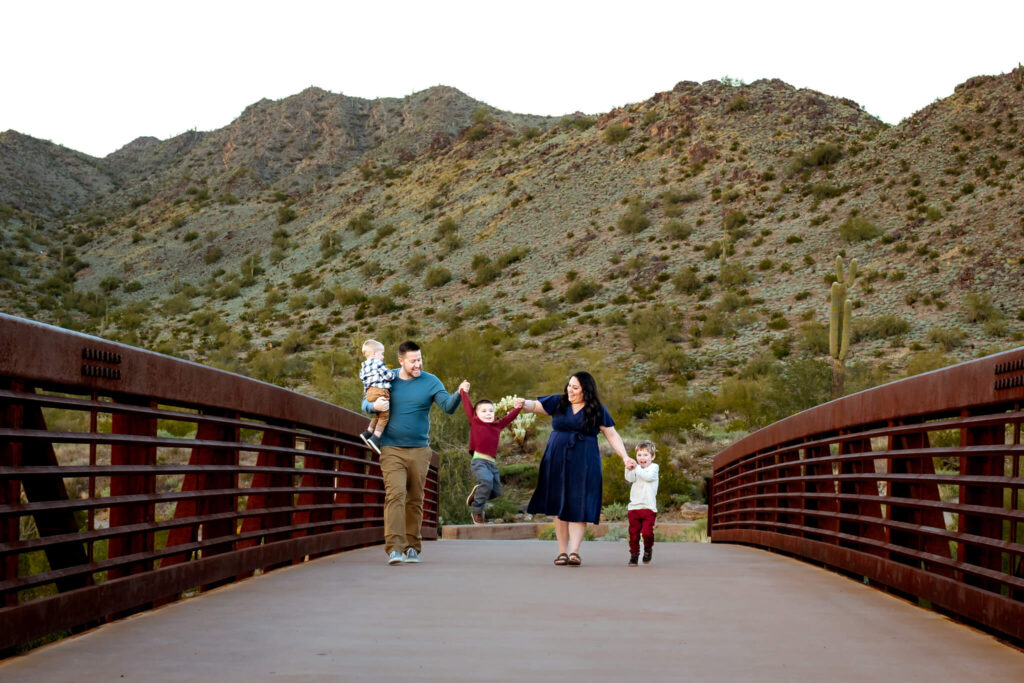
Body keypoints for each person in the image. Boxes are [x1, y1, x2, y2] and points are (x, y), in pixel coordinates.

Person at [362, 341, 468, 565]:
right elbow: (367, 400)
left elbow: (448, 407)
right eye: (413, 361)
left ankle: (412, 547)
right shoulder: (388, 377)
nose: (418, 364)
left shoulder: (430, 381)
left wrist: (459, 393)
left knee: (415, 499)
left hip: (420, 450)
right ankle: (394, 549)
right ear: (401, 361)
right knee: (395, 495)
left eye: (420, 359)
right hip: (391, 448)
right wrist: (373, 407)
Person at [520, 371, 636, 566]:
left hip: (584, 461)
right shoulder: (559, 402)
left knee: (578, 502)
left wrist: (624, 457)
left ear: (586, 391)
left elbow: (612, 434)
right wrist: (523, 403)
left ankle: (574, 552)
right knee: (559, 504)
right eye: (569, 386)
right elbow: (535, 406)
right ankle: (562, 552)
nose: (570, 390)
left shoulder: (596, 409)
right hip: (556, 459)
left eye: (575, 388)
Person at [460, 388, 525, 524]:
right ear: (476, 414)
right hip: (479, 461)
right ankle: (477, 510)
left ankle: (478, 493)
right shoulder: (475, 421)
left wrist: (518, 408)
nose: (488, 413)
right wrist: (463, 391)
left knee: (496, 491)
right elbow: (467, 405)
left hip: (491, 464)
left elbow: (509, 418)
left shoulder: (497, 425)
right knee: (487, 482)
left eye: (491, 411)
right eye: (483, 411)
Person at [625, 440, 659, 567]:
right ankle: (634, 555)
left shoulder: (654, 468)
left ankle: (648, 549)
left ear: (652, 456)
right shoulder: (637, 469)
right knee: (633, 535)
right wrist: (628, 468)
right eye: (639, 455)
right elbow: (630, 478)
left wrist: (636, 467)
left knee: (646, 533)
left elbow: (648, 477)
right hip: (634, 508)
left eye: (645, 455)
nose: (642, 458)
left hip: (648, 508)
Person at [358, 339, 395, 455]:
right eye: (382, 354)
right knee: (384, 416)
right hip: (380, 391)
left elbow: (364, 381)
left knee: (379, 416)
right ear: (374, 353)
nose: (383, 357)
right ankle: (376, 438)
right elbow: (388, 375)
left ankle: (368, 433)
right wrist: (393, 375)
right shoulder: (378, 363)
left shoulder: (363, 367)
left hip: (369, 392)